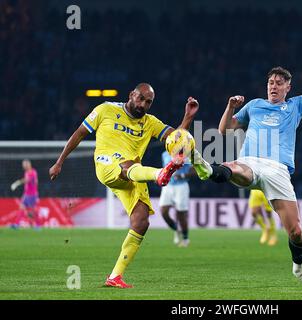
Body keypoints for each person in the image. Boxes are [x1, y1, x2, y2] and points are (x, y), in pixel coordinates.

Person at [191, 31, 302, 287]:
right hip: (252, 162)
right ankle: (208, 169)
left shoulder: (295, 105)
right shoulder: (255, 105)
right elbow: (224, 130)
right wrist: (230, 107)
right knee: (234, 167)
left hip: (278, 171)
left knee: (296, 233)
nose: (274, 86)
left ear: (288, 88)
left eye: (279, 83)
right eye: (271, 82)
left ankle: (299, 269)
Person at [49, 83, 198, 288]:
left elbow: (178, 139)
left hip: (133, 174)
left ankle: (115, 277)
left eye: (149, 102)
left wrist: (188, 117)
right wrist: (60, 162)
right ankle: (159, 174)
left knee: (141, 221)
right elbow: (79, 133)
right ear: (131, 95)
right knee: (129, 165)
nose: (144, 104)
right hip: (107, 165)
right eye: (141, 98)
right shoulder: (105, 109)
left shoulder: (150, 122)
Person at [159, 150, 195, 247]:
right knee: (163, 211)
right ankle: (176, 229)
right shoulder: (165, 154)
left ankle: (185, 238)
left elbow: (194, 170)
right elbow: (164, 169)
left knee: (181, 214)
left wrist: (183, 175)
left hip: (181, 186)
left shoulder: (187, 154)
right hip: (168, 186)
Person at [10, 159, 40, 228]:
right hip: (26, 194)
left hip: (32, 195)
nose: (25, 166)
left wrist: (17, 183)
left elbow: (27, 180)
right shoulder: (27, 172)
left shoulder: (33, 172)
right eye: (24, 165)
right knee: (21, 207)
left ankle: (38, 225)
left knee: (33, 210)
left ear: (29, 164)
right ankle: (17, 224)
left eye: (26, 164)